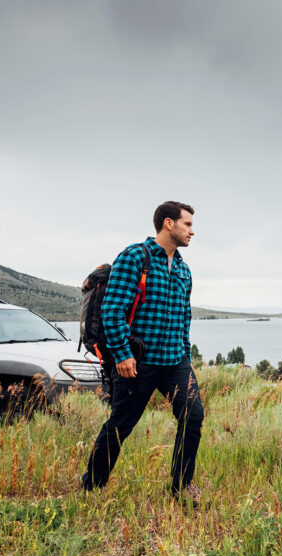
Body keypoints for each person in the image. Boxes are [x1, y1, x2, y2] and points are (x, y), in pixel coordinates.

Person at [82, 201, 204, 505]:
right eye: (187, 224)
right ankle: (92, 486)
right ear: (168, 224)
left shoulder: (184, 270)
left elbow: (184, 317)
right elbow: (112, 309)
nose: (192, 230)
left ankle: (181, 486)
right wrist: (122, 354)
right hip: (138, 362)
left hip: (176, 360)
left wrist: (185, 354)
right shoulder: (135, 257)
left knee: (194, 415)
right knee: (121, 423)